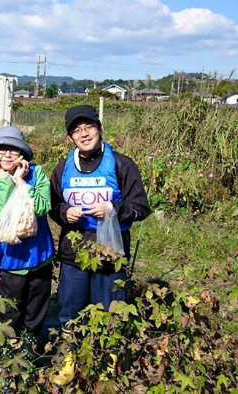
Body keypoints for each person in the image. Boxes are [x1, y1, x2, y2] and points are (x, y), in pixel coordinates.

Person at [48, 105, 150, 385]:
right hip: (73, 254)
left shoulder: (122, 164)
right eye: (76, 130)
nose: (84, 134)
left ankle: (107, 363)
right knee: (70, 311)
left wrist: (114, 209)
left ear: (99, 129)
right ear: (70, 138)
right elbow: (52, 204)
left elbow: (141, 207)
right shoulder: (63, 167)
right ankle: (70, 362)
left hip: (110, 255)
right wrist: (62, 213)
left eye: (88, 127)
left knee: (110, 311)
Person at [0, 126, 54, 351]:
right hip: (10, 260)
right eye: (1, 149)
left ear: (22, 154)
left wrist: (22, 183)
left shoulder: (37, 174)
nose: (7, 154)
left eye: (13, 149)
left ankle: (30, 351)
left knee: (36, 311)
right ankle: (9, 355)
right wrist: (5, 180)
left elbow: (43, 207)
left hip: (39, 256)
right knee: (11, 312)